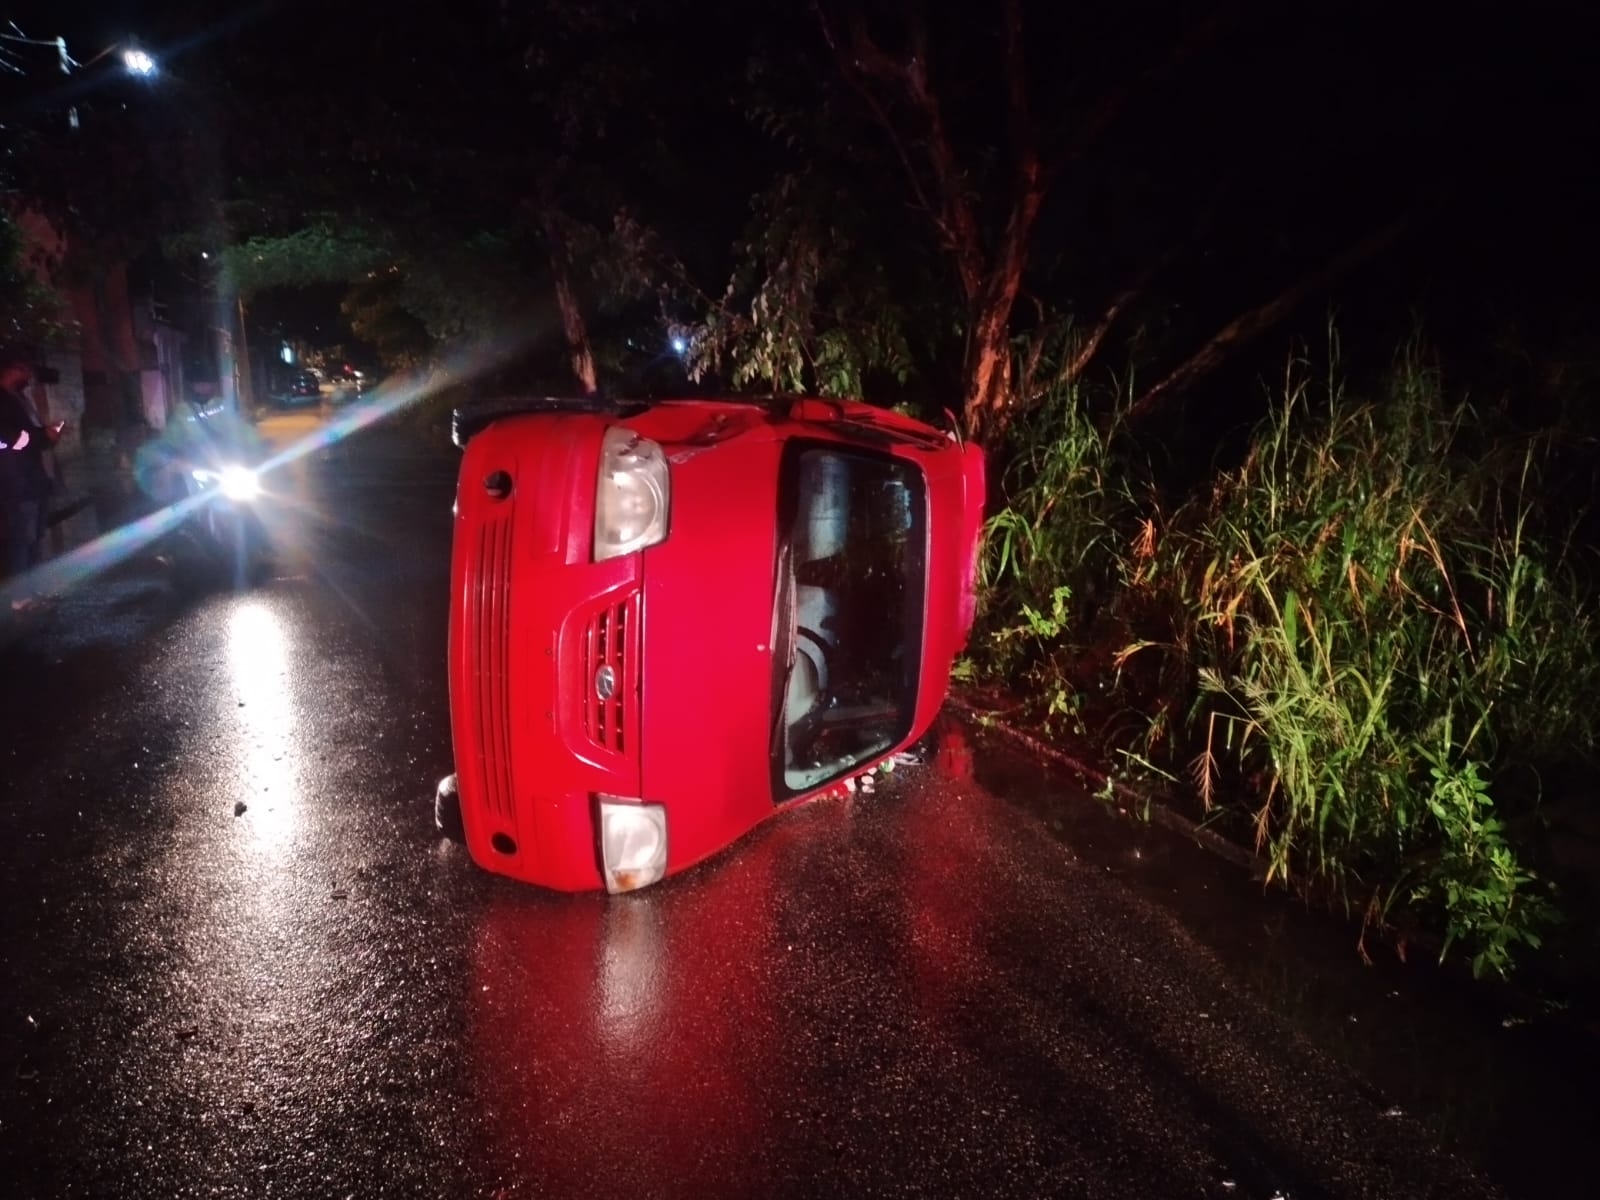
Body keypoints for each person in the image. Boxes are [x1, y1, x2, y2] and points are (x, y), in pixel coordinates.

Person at [0, 349, 64, 609]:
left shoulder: (17, 398)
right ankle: (19, 596)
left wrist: (45, 434)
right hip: (17, 482)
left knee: (34, 537)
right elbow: (11, 439)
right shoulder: (2, 400)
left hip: (32, 479)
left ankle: (32, 589)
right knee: (22, 537)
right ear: (10, 370)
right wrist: (42, 437)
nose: (28, 375)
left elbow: (25, 434)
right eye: (23, 369)